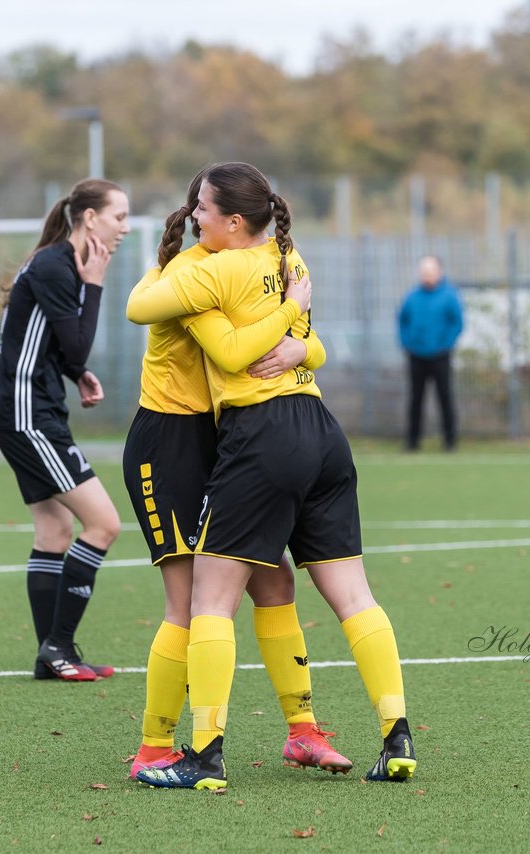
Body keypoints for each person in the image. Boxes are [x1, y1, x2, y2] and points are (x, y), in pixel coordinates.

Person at [126, 162, 417, 790]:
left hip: (253, 436)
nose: (192, 212)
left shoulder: (215, 268)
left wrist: (297, 337)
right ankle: (157, 746)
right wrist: (291, 319)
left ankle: (230, 749)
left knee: (236, 592)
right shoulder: (281, 258)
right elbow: (297, 340)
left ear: (235, 221)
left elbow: (248, 350)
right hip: (195, 438)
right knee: (222, 598)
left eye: (202, 205)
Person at [0, 178, 128, 683]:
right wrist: (94, 282)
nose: (125, 228)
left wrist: (75, 376)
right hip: (29, 418)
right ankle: (58, 644)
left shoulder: (55, 262)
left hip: (28, 412)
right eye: (119, 217)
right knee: (105, 524)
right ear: (89, 219)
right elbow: (74, 344)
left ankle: (53, 654)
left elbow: (52, 345)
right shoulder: (57, 266)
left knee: (55, 529)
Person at [397, 254, 464, 452]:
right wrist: (407, 342)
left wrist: (446, 344)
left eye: (430, 271)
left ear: (439, 272)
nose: (426, 275)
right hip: (416, 356)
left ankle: (450, 441)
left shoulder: (449, 295)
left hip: (440, 356)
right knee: (416, 399)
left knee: (445, 397)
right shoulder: (412, 296)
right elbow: (402, 320)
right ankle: (412, 442)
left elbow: (457, 323)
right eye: (423, 272)